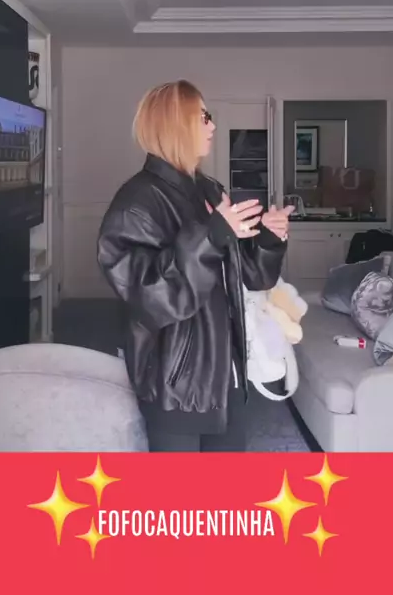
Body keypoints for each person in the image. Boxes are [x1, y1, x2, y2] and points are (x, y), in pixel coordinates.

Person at [97, 80, 292, 452]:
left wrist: (268, 238)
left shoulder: (210, 190)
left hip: (228, 374)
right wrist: (211, 236)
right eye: (203, 117)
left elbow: (251, 276)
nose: (213, 125)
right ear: (174, 124)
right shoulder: (136, 203)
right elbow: (152, 298)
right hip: (176, 384)